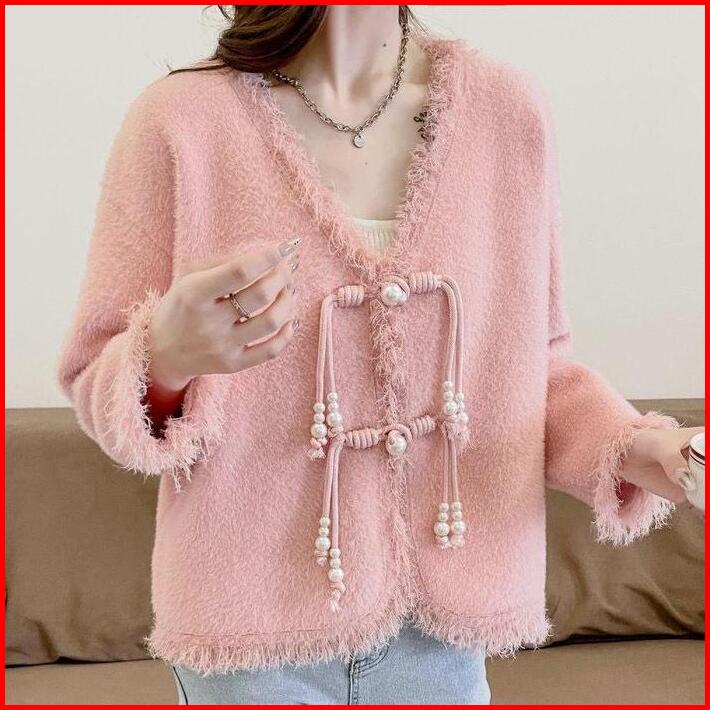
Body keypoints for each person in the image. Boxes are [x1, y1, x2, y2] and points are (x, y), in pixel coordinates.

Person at [56, 5, 703, 705]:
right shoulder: (180, 121)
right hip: (249, 637)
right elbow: (98, 373)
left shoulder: (505, 111)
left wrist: (646, 449)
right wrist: (166, 358)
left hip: (442, 637)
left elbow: (530, 369)